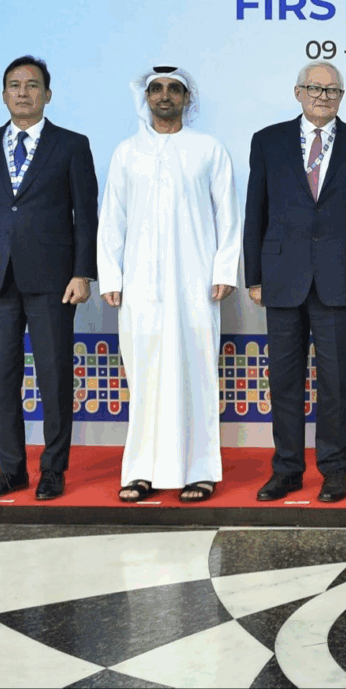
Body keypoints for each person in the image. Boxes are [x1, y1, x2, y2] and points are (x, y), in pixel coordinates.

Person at [244, 61, 346, 504]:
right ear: (298, 92)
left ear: (341, 97)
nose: (323, 97)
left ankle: (335, 471)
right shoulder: (267, 141)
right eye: (314, 88)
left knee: (337, 383)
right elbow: (255, 211)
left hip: (341, 278)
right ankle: (287, 469)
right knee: (284, 382)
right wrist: (254, 276)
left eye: (332, 91)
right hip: (281, 278)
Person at [98, 66, 241, 503]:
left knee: (197, 373)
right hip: (139, 285)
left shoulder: (209, 149)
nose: (165, 96)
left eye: (174, 89)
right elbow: (112, 218)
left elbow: (228, 216)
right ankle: (140, 471)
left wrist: (224, 271)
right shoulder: (127, 152)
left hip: (195, 284)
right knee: (143, 376)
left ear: (186, 98)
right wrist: (111, 275)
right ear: (146, 97)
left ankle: (200, 471)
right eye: (156, 89)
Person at [0, 56, 99, 502]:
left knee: (54, 378)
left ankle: (53, 471)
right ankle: (10, 471)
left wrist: (82, 271)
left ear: (47, 94)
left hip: (53, 279)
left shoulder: (71, 144)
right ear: (4, 94)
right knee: (1, 378)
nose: (23, 92)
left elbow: (85, 216)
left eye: (32, 85)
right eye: (15, 85)